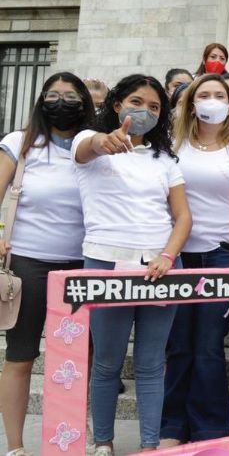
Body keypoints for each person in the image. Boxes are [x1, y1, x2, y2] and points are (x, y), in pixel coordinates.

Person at [72, 74, 192, 455]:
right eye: (137, 102)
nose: (145, 111)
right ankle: (103, 442)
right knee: (107, 362)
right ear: (117, 104)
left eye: (155, 107)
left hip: (159, 268)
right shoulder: (90, 141)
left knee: (152, 363)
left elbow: (183, 217)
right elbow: (87, 147)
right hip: (106, 263)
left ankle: (149, 446)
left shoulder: (165, 160)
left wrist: (167, 256)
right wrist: (103, 141)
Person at [160, 74, 229, 446]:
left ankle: (210, 430)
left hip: (221, 253)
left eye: (219, 94)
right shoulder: (172, 146)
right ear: (190, 102)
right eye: (204, 94)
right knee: (178, 343)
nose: (212, 100)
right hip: (177, 255)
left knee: (209, 345)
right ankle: (172, 427)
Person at [0, 73, 94, 456]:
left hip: (83, 266)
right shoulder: (18, 143)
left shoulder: (95, 147)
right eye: (53, 95)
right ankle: (17, 446)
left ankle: (73, 436)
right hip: (26, 263)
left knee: (78, 359)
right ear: (40, 101)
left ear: (85, 103)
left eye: (70, 96)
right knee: (20, 356)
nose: (61, 101)